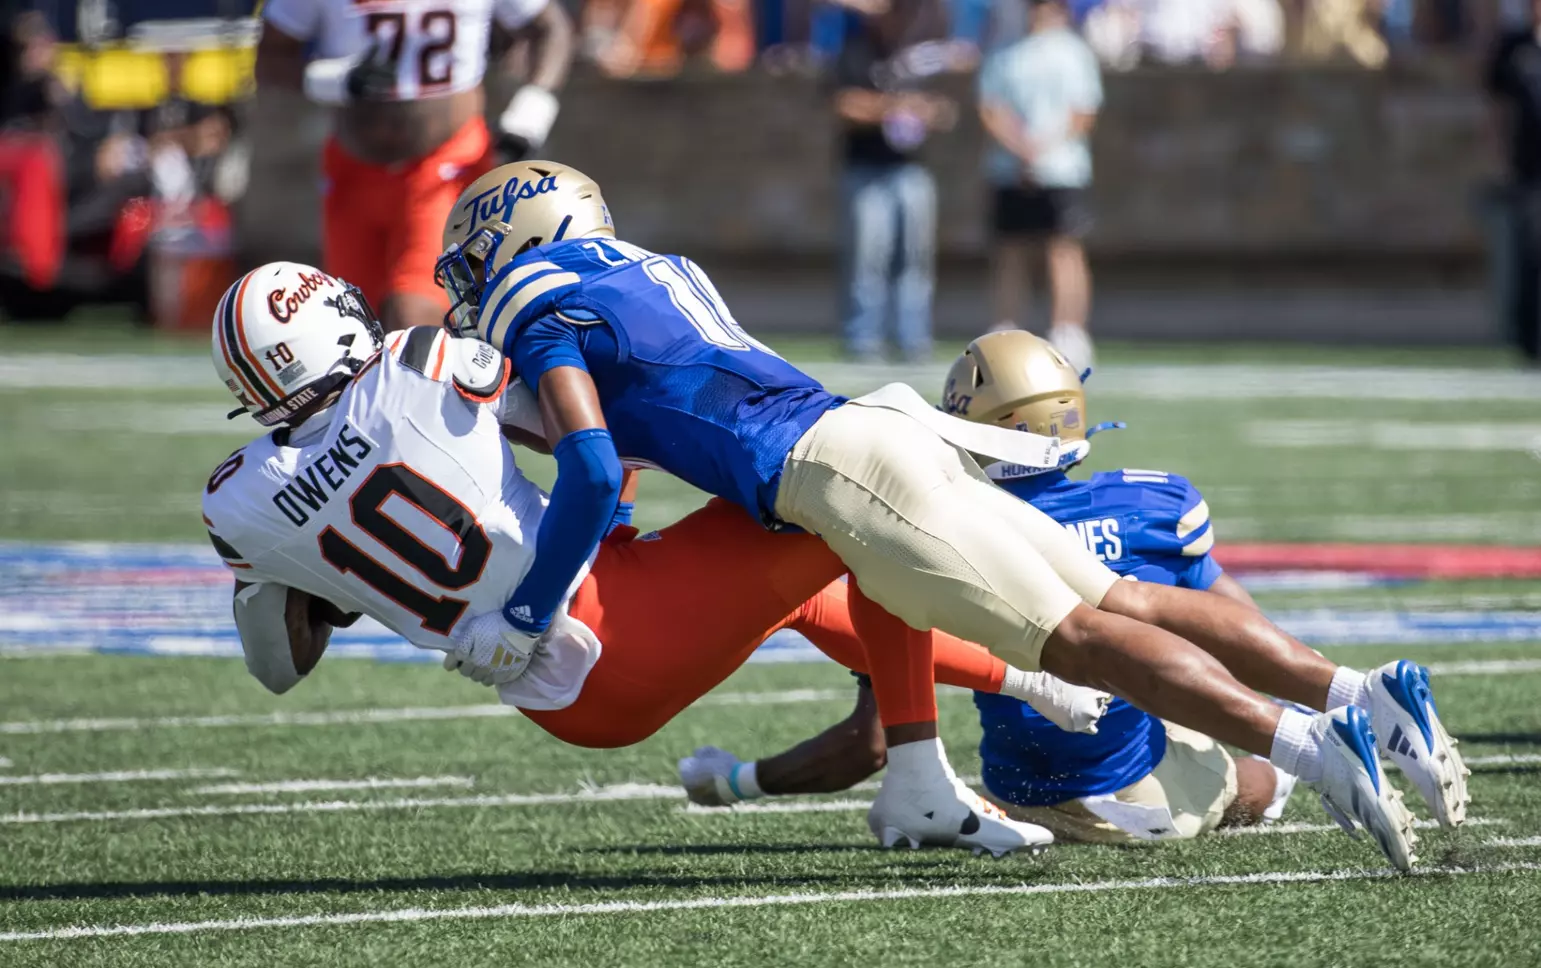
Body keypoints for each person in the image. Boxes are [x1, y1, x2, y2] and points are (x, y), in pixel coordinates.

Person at [432, 160, 1463, 869]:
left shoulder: (534, 290)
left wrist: (523, 617)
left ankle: (1312, 746)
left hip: (838, 470)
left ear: (515, 236)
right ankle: (1363, 692)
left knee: (1082, 639)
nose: (472, 283)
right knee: (1117, 594)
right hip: (861, 432)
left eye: (474, 259)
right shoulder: (653, 267)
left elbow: (591, 460)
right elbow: (664, 410)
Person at [203, 261, 1084, 855]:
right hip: (606, 625)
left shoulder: (234, 500)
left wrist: (330, 579)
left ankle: (1024, 689)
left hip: (557, 701)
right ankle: (929, 777)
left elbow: (280, 662)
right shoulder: (418, 359)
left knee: (785, 585)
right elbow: (578, 441)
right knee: (846, 508)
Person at [679, 332, 1320, 842]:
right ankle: (1304, 743)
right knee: (1248, 774)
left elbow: (868, 745)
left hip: (1020, 796)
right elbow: (1245, 633)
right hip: (1142, 797)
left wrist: (735, 781)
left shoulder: (933, 528)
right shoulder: (1154, 504)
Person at [252, 0, 575, 332]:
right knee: (353, 325)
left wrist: (533, 108)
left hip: (446, 166)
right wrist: (333, 78)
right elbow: (269, 57)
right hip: (353, 170)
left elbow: (550, 29)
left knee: (415, 315)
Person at [831, 0, 959, 363]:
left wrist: (927, 111)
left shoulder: (919, 56)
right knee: (868, 257)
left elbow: (946, 110)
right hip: (865, 169)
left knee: (916, 259)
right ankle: (863, 337)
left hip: (910, 169)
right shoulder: (856, 51)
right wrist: (893, 108)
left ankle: (913, 338)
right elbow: (844, 104)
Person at [977, 0, 1100, 373]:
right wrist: (1020, 150)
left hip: (1061, 169)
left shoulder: (1074, 52)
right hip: (1010, 169)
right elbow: (991, 108)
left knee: (1063, 249)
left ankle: (1068, 332)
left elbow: (1083, 113)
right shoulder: (1004, 52)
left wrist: (1042, 151)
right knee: (1010, 250)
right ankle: (1005, 331)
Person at [1487, 0, 1541, 362]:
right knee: (1529, 254)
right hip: (1528, 168)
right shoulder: (1515, 46)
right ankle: (1527, 338)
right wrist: (1498, 159)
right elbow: (1495, 109)